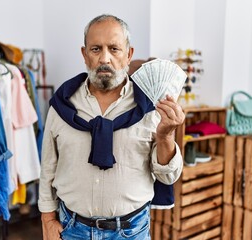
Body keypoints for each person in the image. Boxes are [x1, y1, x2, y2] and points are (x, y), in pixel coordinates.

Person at [38, 14, 184, 240]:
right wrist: (47, 220)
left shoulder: (151, 107)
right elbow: (48, 166)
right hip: (71, 229)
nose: (105, 58)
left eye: (114, 49)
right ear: (84, 55)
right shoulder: (61, 105)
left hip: (131, 231)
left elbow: (167, 177)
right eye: (96, 49)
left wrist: (166, 136)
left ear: (129, 55)